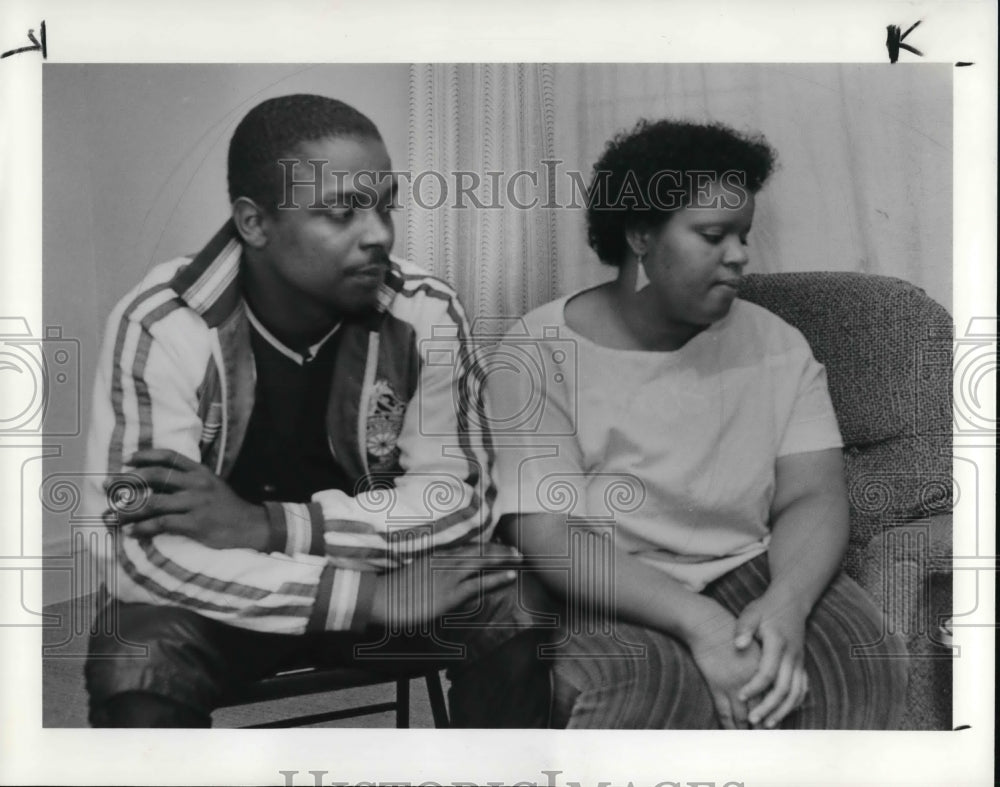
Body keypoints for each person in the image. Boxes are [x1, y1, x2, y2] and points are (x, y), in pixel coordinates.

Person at [83, 94, 550, 728]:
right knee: (138, 661)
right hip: (236, 604)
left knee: (510, 601)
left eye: (385, 204)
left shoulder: (425, 310)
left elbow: (459, 504)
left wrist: (271, 526)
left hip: (388, 579)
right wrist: (360, 597)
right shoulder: (162, 326)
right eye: (341, 212)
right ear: (254, 223)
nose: (379, 234)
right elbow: (141, 555)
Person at [487, 119, 908, 729]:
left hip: (748, 564)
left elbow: (814, 495)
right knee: (649, 696)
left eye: (743, 235)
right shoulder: (536, 353)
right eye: (713, 235)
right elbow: (548, 535)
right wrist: (702, 624)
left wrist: (785, 605)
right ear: (640, 236)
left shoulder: (778, 345)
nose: (738, 256)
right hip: (604, 580)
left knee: (854, 666)